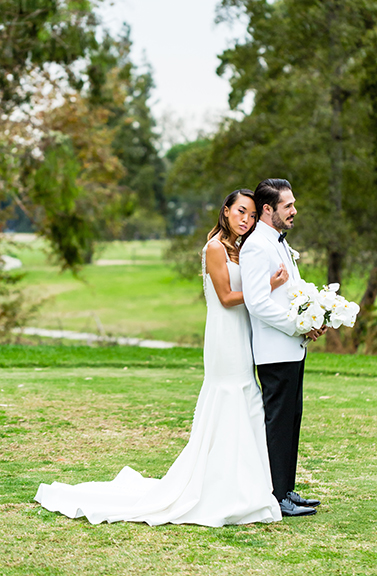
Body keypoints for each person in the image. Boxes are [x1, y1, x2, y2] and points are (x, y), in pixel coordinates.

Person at [35, 189, 288, 527]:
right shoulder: (214, 248)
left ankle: (246, 484)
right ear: (225, 211)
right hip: (224, 336)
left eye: (253, 215)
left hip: (242, 333)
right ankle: (222, 487)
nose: (247, 219)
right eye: (241, 211)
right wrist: (267, 287)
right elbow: (227, 298)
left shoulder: (241, 249)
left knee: (247, 400)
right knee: (230, 396)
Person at [240, 178, 324, 517]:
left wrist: (316, 311)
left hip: (292, 348)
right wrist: (297, 324)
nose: (294, 211)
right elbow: (257, 302)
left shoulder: (277, 242)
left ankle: (286, 489)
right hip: (275, 350)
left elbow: (292, 290)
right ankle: (275, 497)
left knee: (292, 419)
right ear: (268, 209)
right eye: (287, 205)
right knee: (277, 423)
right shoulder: (256, 246)